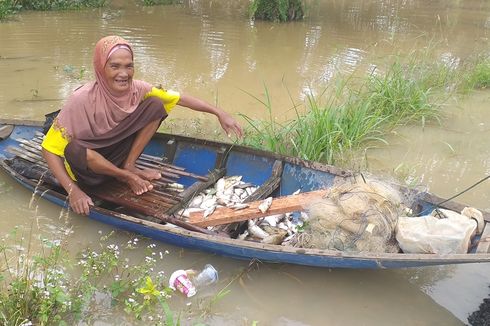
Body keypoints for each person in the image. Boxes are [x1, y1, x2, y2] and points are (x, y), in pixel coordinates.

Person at [41, 35, 243, 216]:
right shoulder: (81, 99)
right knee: (75, 148)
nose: (124, 73)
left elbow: (179, 98)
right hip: (89, 170)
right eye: (115, 66)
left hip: (115, 154)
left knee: (156, 104)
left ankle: (129, 165)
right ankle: (126, 175)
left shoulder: (138, 89)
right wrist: (72, 190)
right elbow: (49, 149)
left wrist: (219, 112)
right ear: (101, 68)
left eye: (129, 66)